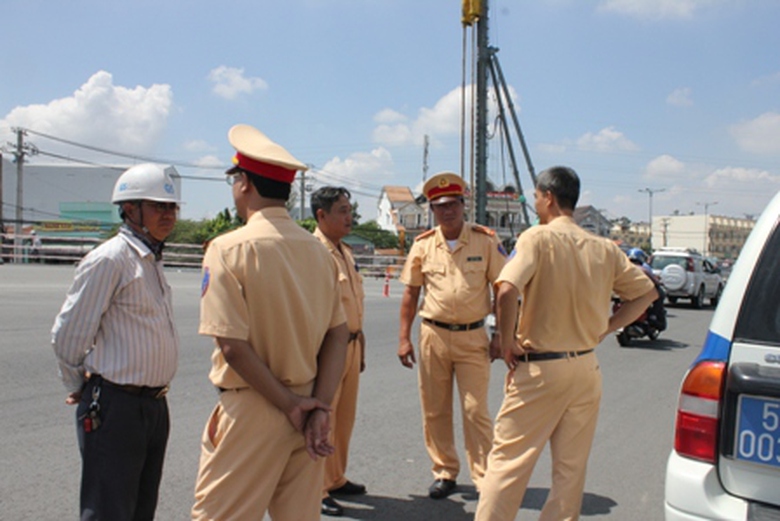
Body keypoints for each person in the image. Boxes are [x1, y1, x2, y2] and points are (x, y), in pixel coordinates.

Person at [475, 166, 658, 521]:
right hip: (585, 367)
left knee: (508, 464)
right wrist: (605, 328)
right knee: (571, 469)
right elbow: (646, 293)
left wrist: (507, 341)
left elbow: (507, 288)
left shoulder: (537, 238)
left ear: (549, 198)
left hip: (541, 369)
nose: (536, 203)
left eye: (537, 197)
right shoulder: (604, 248)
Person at [192, 124, 349, 520]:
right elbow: (338, 333)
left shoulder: (228, 249)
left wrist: (290, 405)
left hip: (257, 406)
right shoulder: (318, 253)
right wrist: (320, 408)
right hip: (311, 403)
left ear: (244, 183)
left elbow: (232, 345)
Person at [51, 163, 181, 521]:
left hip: (153, 406)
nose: (167, 214)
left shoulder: (150, 260)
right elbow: (68, 335)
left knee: (141, 508)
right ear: (129, 209)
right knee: (109, 509)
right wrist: (80, 385)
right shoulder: (110, 259)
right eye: (158, 206)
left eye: (171, 207)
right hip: (116, 406)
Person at [398, 171, 507, 499]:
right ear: (432, 210)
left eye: (453, 205)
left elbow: (502, 289)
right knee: (435, 409)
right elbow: (410, 295)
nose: (448, 211)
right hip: (433, 335)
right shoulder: (422, 245)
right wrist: (404, 337)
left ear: (464, 205)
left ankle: (484, 475)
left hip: (473, 336)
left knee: (476, 410)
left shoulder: (486, 240)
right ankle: (445, 470)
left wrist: (501, 334)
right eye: (440, 206)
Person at [311, 186, 367, 517]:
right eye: (343, 210)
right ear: (322, 215)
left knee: (343, 419)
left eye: (350, 210)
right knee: (322, 419)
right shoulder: (314, 252)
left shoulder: (344, 250)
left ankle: (335, 478)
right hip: (328, 350)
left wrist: (362, 346)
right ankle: (315, 486)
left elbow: (354, 303)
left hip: (352, 344)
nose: (350, 216)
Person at [627, 247, 667, 331]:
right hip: (639, 294)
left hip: (626, 293)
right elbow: (655, 281)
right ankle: (653, 315)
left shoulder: (622, 269)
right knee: (660, 294)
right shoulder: (643, 269)